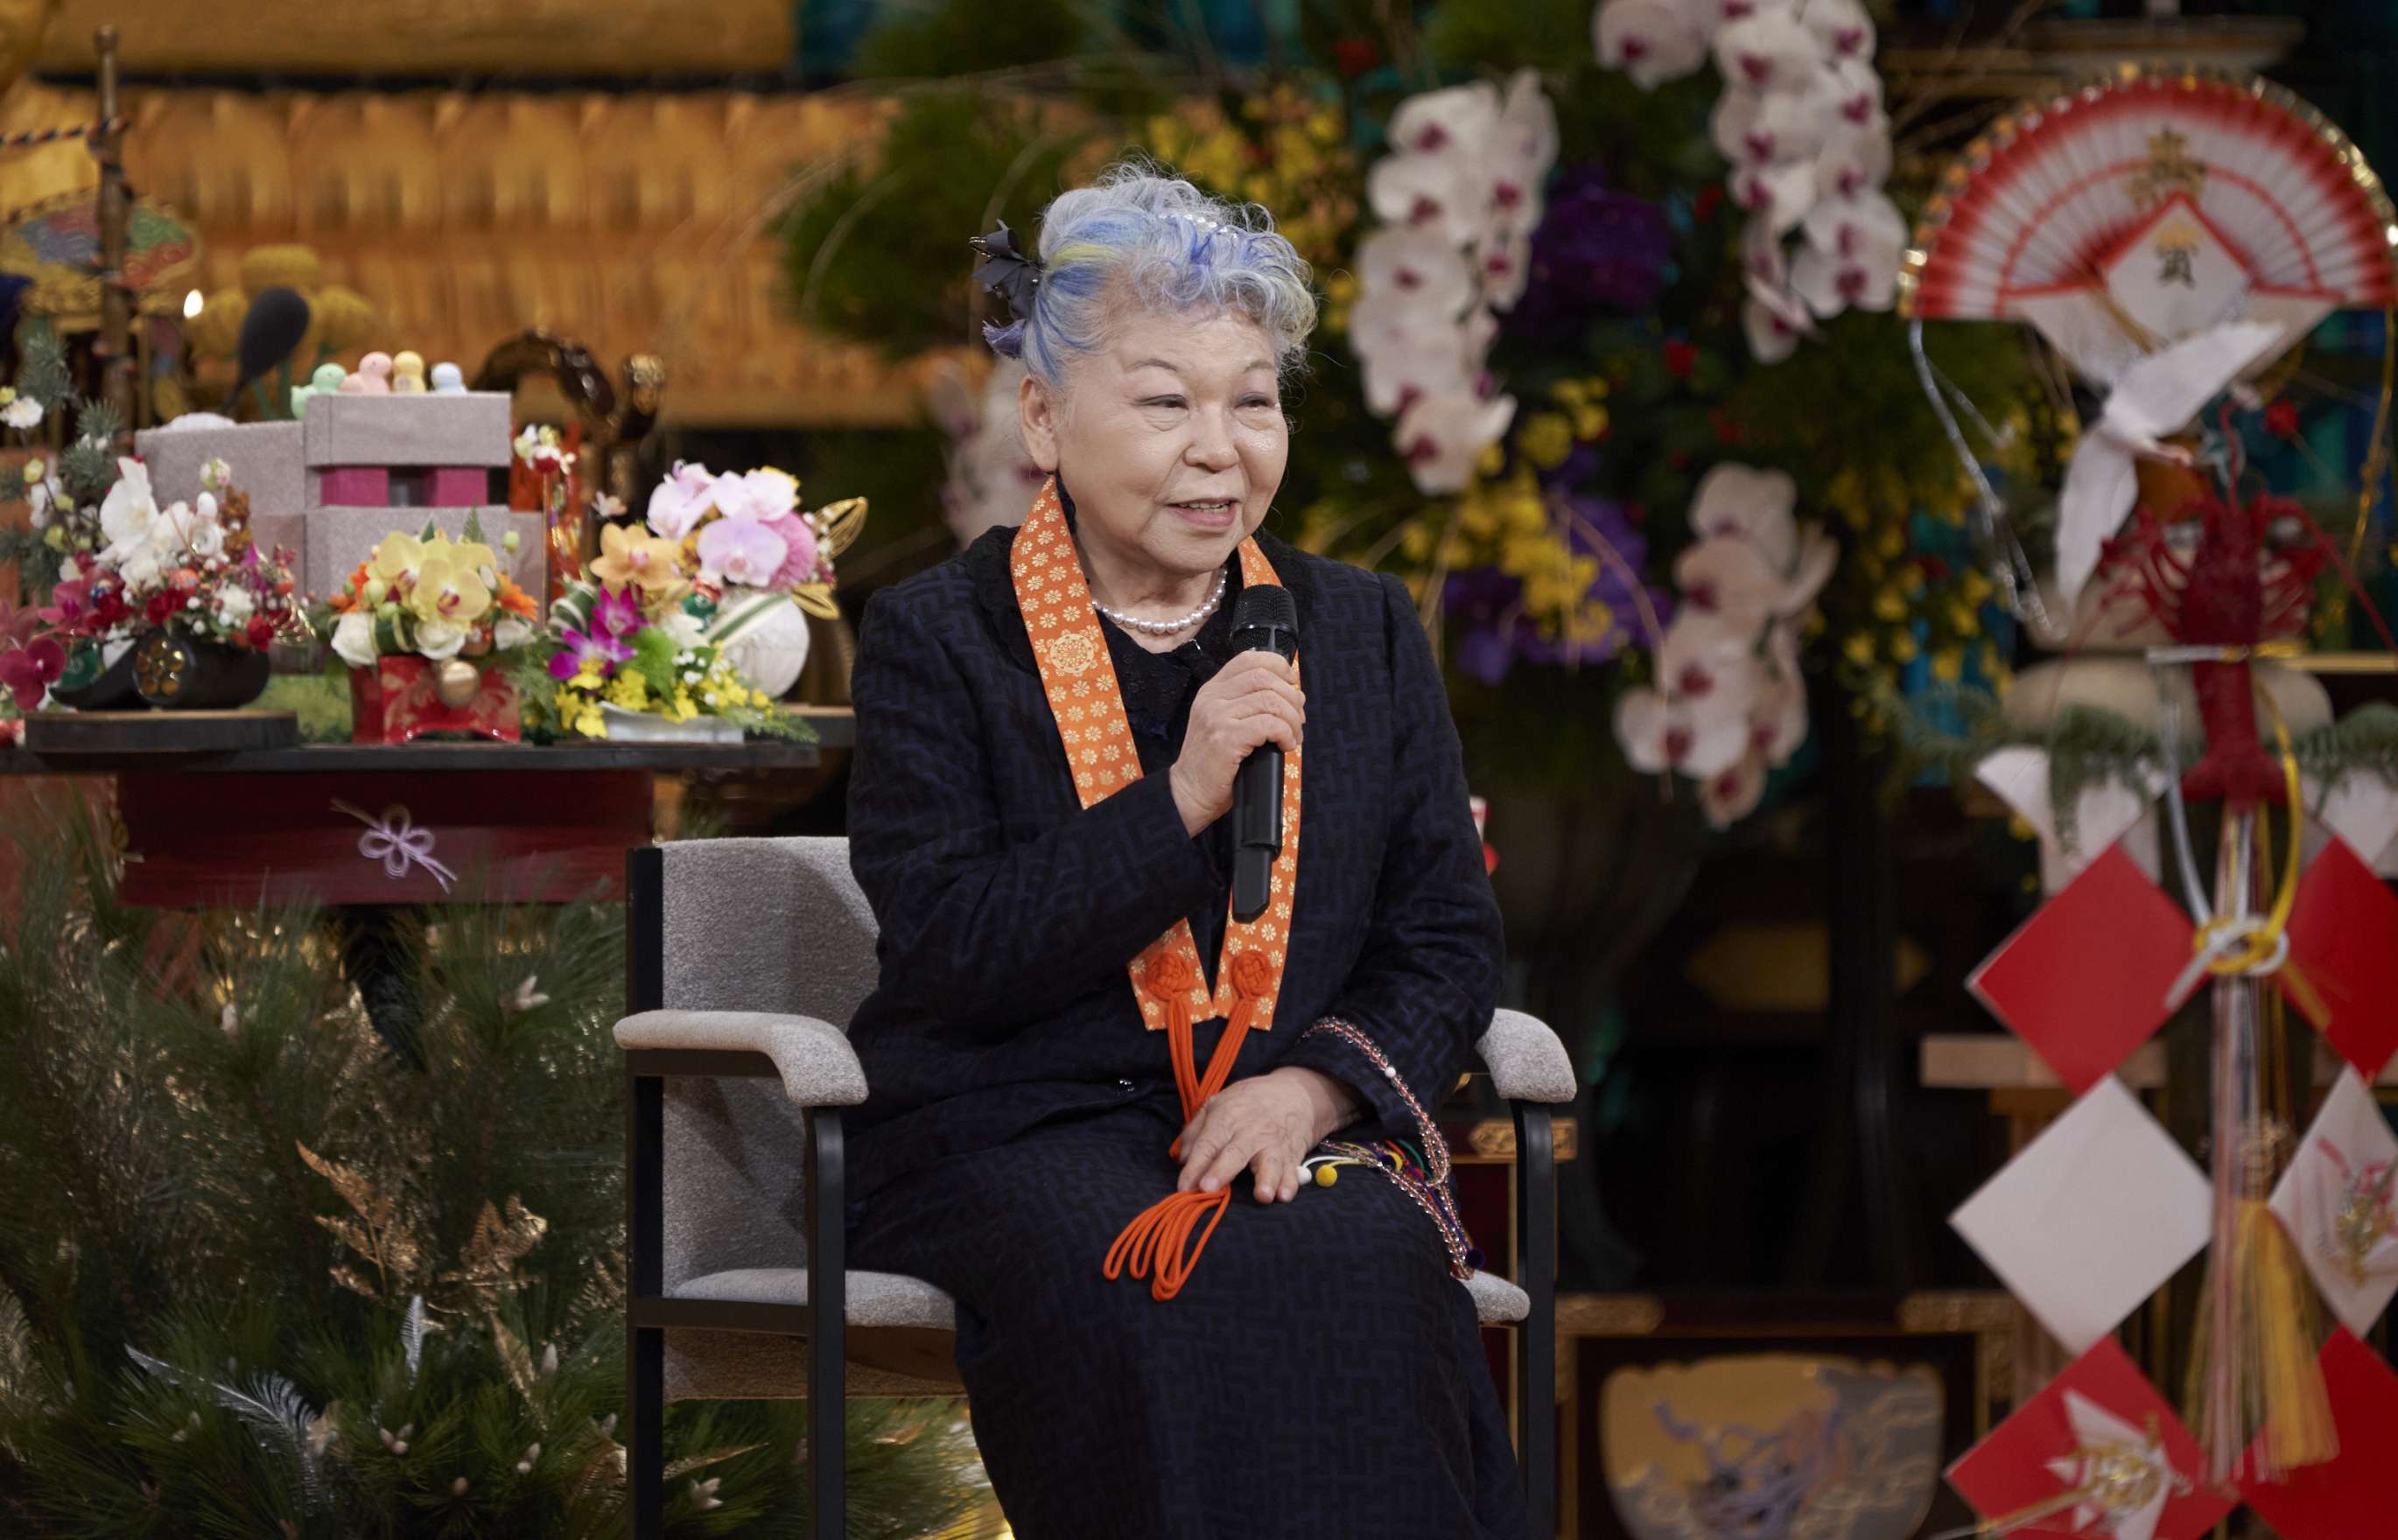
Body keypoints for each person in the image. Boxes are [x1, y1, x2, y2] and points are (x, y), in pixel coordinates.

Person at [842, 164, 1523, 1539]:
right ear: (1043, 417)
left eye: (1253, 400)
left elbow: (1444, 937)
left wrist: (1317, 1094)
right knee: (1161, 1281)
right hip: (1013, 1126)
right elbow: (947, 945)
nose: (1222, 449)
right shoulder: (937, 637)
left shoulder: (1357, 629)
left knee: (1369, 1250)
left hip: (1269, 1121)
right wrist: (1186, 793)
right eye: (1166, 402)